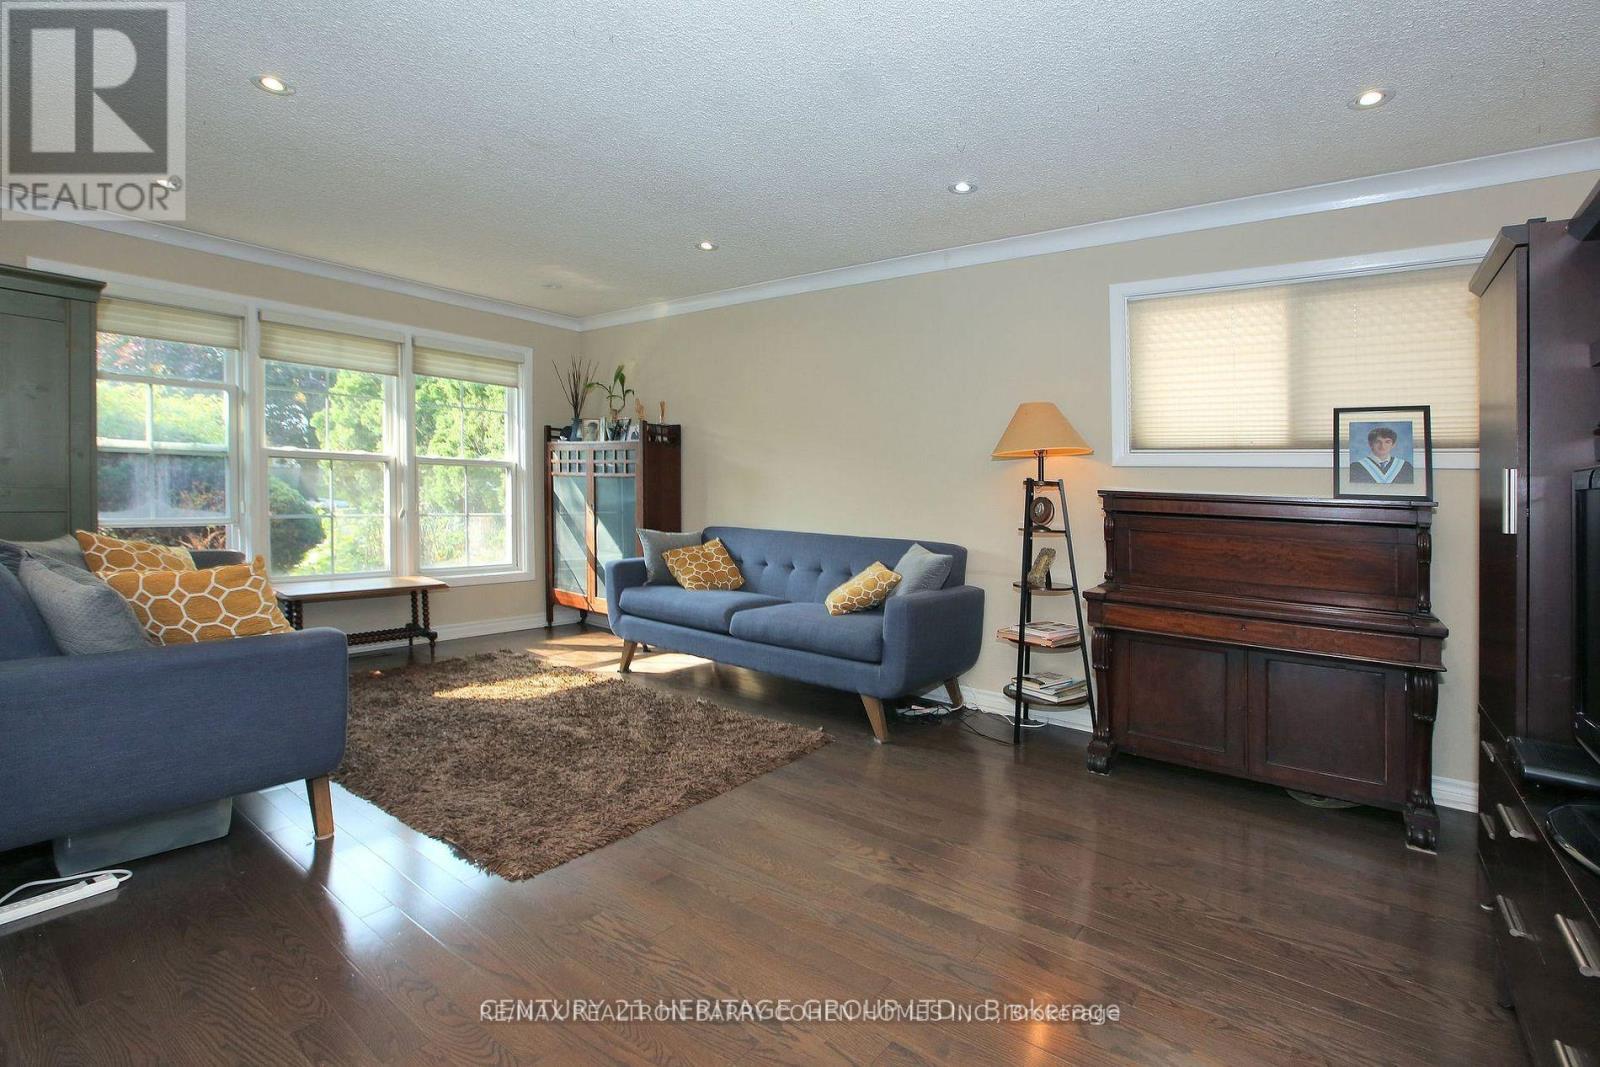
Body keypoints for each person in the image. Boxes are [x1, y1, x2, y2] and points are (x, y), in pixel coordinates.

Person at [1349, 425, 1414, 485]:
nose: (1382, 446)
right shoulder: (1355, 468)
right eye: (1378, 442)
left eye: (1387, 442)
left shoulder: (1405, 467)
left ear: (1393, 445)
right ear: (1370, 444)